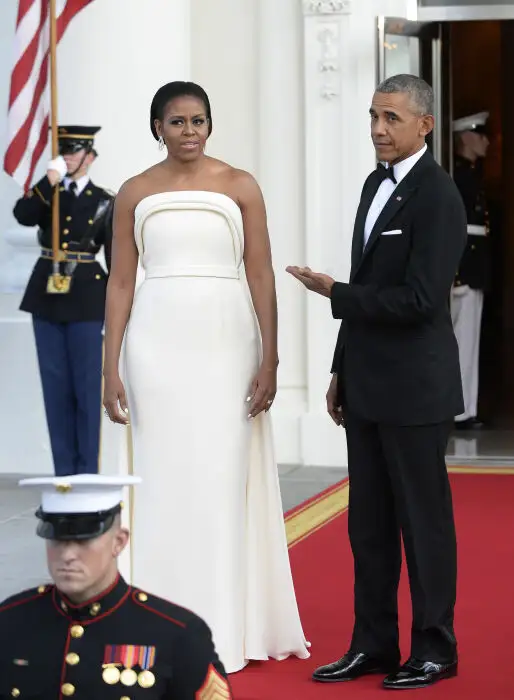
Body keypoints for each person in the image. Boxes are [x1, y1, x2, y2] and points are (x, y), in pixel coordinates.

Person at [102, 81, 309, 673]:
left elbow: (262, 276)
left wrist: (270, 358)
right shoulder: (134, 192)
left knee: (221, 478)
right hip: (155, 347)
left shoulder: (240, 185)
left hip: (226, 346)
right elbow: (120, 282)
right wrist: (109, 363)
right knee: (163, 478)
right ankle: (155, 617)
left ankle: (225, 621)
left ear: (210, 125)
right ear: (157, 128)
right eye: (176, 122)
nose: (188, 132)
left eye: (198, 121)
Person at [287, 74, 466, 690]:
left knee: (423, 523)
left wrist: (335, 292)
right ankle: (374, 644)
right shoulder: (374, 184)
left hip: (416, 390)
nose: (377, 130)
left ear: (424, 125)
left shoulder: (440, 197)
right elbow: (370, 282)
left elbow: (419, 300)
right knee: (369, 526)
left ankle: (436, 648)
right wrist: (339, 370)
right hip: (365, 384)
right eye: (372, 117)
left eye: (390, 118)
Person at [0, 474, 232, 699]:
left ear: (119, 541)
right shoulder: (10, 620)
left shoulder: (176, 634)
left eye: (83, 540)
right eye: (57, 540)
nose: (67, 555)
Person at [13, 126, 114, 476]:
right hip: (47, 298)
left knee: (86, 389)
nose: (68, 157)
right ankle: (64, 477)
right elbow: (22, 216)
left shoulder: (104, 201)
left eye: (75, 152)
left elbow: (114, 259)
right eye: (64, 152)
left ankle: (87, 475)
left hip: (87, 298)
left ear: (91, 157)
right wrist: (48, 179)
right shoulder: (48, 195)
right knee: (55, 389)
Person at [451, 111, 491, 430]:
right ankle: (459, 411)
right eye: (480, 134)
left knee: (469, 342)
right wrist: (457, 273)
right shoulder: (458, 176)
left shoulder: (472, 175)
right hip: (464, 271)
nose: (486, 141)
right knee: (461, 341)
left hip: (474, 270)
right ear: (465, 137)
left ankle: (466, 408)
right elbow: (455, 230)